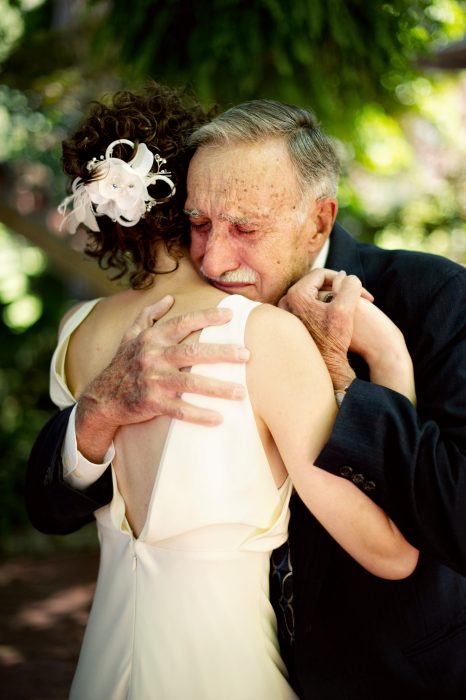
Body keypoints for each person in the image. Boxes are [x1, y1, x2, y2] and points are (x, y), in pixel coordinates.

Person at [26, 96, 466, 698]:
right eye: (200, 223)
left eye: (245, 229)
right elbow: (50, 503)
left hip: (388, 675)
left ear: (319, 219)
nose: (213, 257)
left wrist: (381, 361)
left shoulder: (432, 296)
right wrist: (98, 411)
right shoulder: (190, 325)